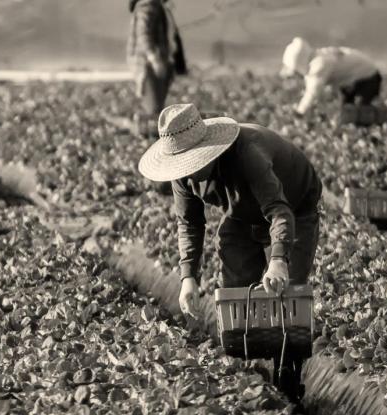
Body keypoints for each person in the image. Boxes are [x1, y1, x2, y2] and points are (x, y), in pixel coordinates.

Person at [136, 103, 322, 317]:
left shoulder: (247, 153)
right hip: (241, 213)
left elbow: (279, 210)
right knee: (236, 292)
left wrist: (278, 260)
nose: (188, 173)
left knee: (288, 292)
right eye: (182, 166)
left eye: (192, 164)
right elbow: (189, 223)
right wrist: (188, 277)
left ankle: (286, 343)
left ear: (209, 152)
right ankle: (247, 344)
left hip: (294, 204)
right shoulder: (183, 176)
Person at [128, 0, 187, 134]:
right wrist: (154, 59)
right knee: (153, 110)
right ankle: (139, 131)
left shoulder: (157, 6)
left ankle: (141, 130)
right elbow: (143, 35)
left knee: (156, 109)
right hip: (148, 66)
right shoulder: (148, 6)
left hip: (156, 63)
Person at [281, 37, 382, 115]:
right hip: (357, 78)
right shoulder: (319, 56)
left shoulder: (319, 65)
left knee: (360, 111)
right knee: (348, 109)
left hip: (367, 78)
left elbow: (313, 92)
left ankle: (379, 118)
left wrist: (300, 111)